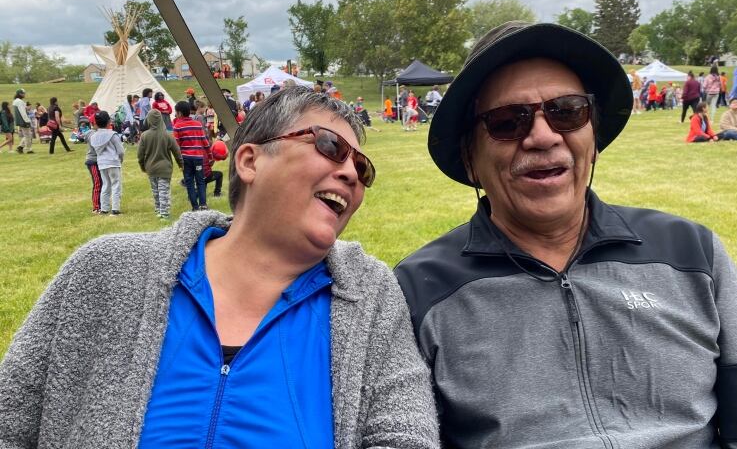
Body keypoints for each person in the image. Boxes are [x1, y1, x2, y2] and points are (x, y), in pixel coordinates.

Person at [394, 22, 737, 448]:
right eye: (507, 121)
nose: (543, 136)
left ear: (592, 138)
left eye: (567, 111)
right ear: (470, 160)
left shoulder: (692, 253)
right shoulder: (417, 291)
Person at [0, 85, 438, 448]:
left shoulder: (372, 297)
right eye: (330, 146)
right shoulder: (107, 272)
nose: (350, 174)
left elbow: (406, 437)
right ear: (249, 161)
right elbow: (11, 418)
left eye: (362, 168)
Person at [138, 109, 183, 220]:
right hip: (165, 168)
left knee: (155, 191)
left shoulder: (144, 136)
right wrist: (181, 164)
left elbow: (140, 155)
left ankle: (158, 209)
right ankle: (164, 213)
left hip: (150, 168)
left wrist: (143, 166)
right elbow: (177, 152)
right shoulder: (167, 135)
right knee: (164, 191)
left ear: (148, 120)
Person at [173, 100, 211, 211]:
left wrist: (179, 161)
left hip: (186, 159)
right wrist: (210, 157)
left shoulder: (177, 126)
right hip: (199, 158)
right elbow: (205, 142)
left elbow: (176, 146)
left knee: (189, 182)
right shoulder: (198, 125)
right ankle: (203, 204)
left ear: (179, 113)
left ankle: (195, 207)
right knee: (200, 181)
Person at [89, 111, 124, 215]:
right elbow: (120, 150)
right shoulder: (113, 135)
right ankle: (115, 209)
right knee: (116, 185)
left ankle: (104, 208)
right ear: (109, 121)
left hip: (101, 163)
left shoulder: (93, 136)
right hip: (113, 162)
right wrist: (120, 160)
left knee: (105, 185)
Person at [82, 119, 102, 214]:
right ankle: (96, 207)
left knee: (103, 182)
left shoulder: (100, 132)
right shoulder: (91, 133)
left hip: (101, 161)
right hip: (93, 161)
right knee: (97, 183)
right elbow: (92, 138)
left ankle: (102, 204)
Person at [12, 89, 33, 154]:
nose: (24, 94)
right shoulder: (19, 101)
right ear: (20, 94)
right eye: (23, 93)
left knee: (27, 135)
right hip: (23, 120)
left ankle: (20, 147)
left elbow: (23, 109)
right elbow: (22, 112)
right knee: (28, 135)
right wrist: (27, 120)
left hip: (20, 121)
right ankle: (28, 149)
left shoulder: (16, 101)